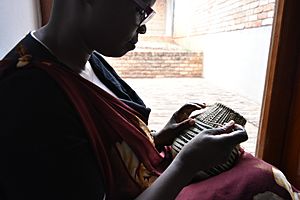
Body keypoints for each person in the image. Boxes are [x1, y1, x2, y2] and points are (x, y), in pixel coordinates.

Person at [0, 0, 297, 199]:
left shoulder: (85, 59)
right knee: (262, 181)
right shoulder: (28, 98)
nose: (143, 26)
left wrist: (158, 136)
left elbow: (101, 147)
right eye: (141, 9)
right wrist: (185, 165)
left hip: (153, 178)